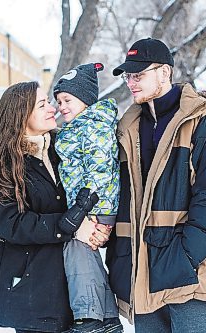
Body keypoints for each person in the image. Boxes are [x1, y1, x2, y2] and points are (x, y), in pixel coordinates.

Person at [106, 38, 206, 333]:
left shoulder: (202, 121)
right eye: (128, 76)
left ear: (165, 72)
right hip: (142, 272)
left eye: (139, 75)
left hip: (190, 273)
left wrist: (186, 256)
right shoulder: (127, 128)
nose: (131, 83)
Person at [0, 81, 110, 333]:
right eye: (42, 104)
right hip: (31, 288)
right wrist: (70, 228)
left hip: (70, 285)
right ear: (21, 114)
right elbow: (12, 225)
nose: (53, 108)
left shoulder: (63, 149)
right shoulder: (3, 161)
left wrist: (97, 228)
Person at [53, 62, 123, 333]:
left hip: (95, 204)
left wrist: (83, 209)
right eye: (58, 101)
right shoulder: (79, 126)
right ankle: (107, 319)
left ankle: (88, 319)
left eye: (67, 99)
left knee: (77, 250)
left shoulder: (93, 126)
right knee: (88, 255)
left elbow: (99, 170)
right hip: (88, 205)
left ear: (85, 98)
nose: (62, 106)